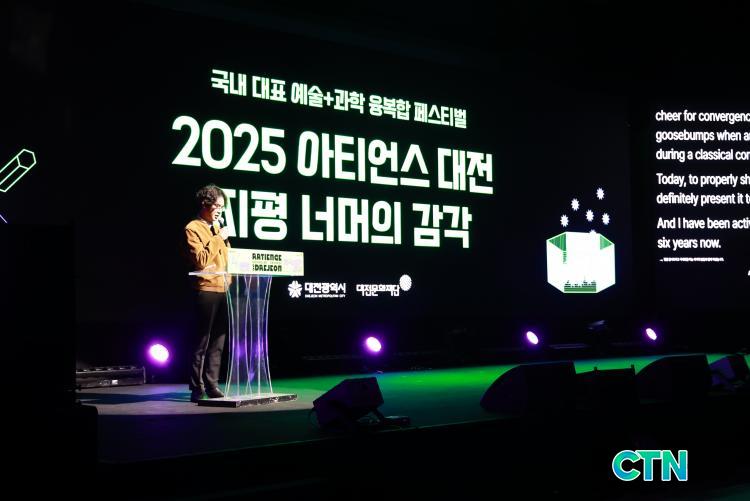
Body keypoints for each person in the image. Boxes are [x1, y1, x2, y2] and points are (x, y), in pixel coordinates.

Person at [184, 184, 232, 402]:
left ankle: (212, 384)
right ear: (205, 204)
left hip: (223, 288)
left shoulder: (217, 228)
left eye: (222, 206)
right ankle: (197, 387)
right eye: (217, 206)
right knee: (202, 341)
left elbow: (227, 259)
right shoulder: (193, 228)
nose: (220, 210)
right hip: (206, 289)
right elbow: (201, 260)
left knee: (218, 341)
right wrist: (218, 237)